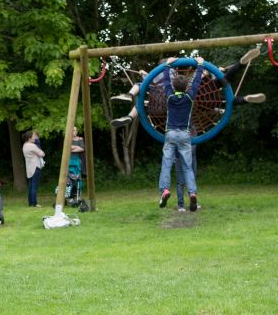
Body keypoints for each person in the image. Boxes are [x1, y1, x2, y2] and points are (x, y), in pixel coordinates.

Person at [111, 48, 265, 129]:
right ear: (176, 70)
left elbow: (148, 78)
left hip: (163, 106)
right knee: (224, 89)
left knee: (141, 103)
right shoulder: (180, 79)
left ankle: (129, 114)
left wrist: (145, 74)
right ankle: (241, 69)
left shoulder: (154, 77)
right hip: (198, 97)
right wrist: (209, 71)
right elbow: (197, 79)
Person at [157, 56, 205, 211]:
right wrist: (200, 64)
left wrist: (167, 65)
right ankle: (192, 193)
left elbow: (165, 81)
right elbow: (197, 81)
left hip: (170, 134)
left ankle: (164, 190)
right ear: (186, 87)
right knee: (188, 167)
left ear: (174, 86)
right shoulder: (190, 97)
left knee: (166, 164)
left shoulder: (170, 96)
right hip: (185, 135)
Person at [22, 130, 45, 207]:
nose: (34, 138)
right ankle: (34, 203)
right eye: (33, 137)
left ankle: (30, 203)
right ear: (29, 138)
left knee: (31, 186)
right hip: (35, 167)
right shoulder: (32, 146)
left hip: (29, 168)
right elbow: (42, 154)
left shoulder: (25, 145)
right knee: (34, 186)